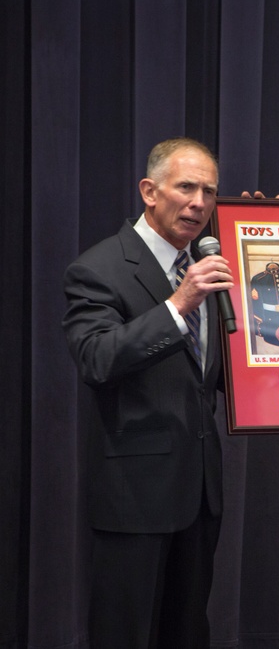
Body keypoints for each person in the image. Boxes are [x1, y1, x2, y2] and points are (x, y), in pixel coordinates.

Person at [62, 137, 233, 648]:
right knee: (126, 634)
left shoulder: (214, 264)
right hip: (133, 496)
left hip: (200, 491)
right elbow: (96, 359)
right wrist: (178, 304)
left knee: (187, 632)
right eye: (186, 187)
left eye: (209, 191)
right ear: (149, 191)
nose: (199, 203)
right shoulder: (99, 268)